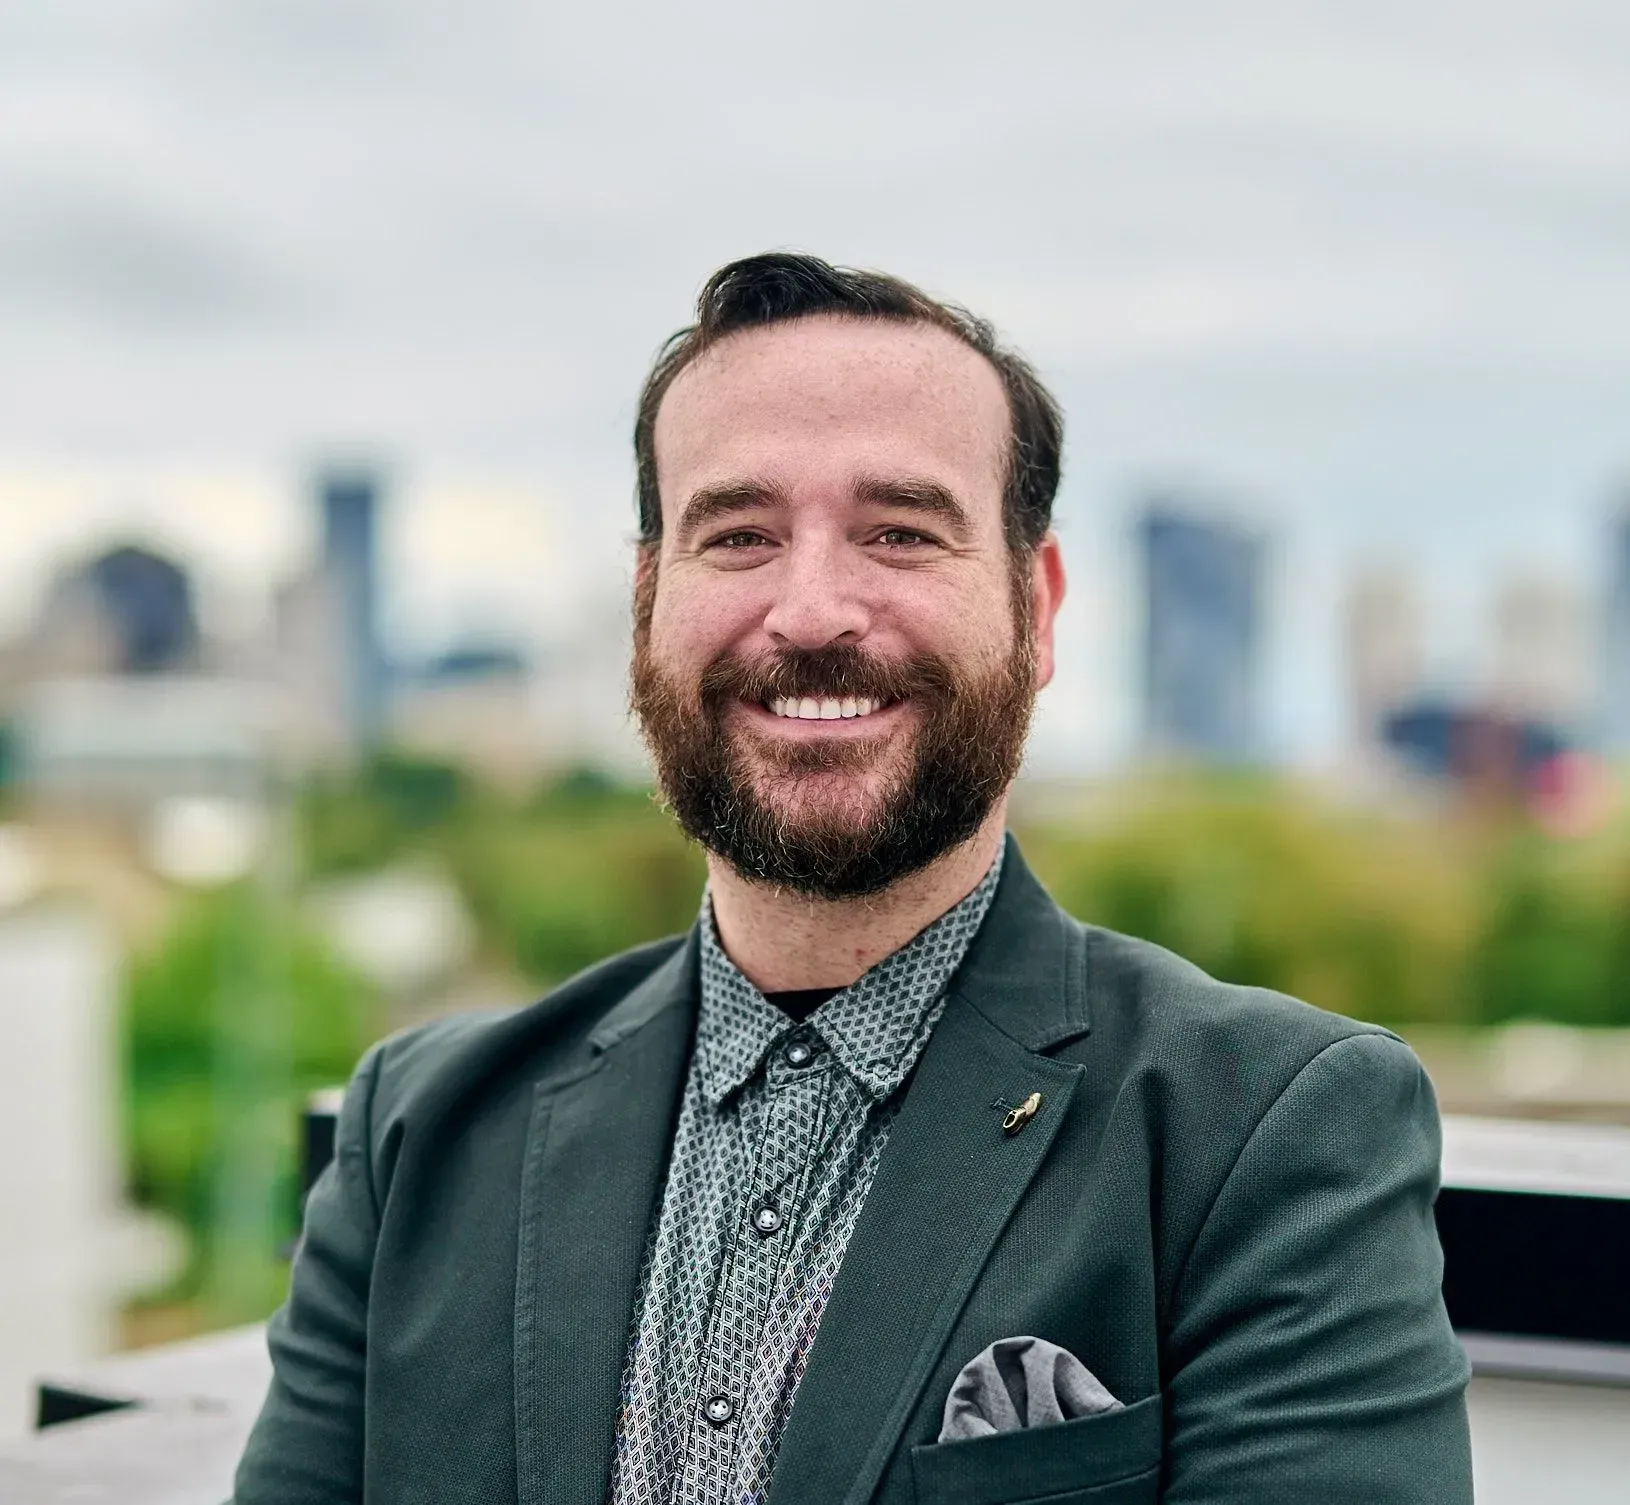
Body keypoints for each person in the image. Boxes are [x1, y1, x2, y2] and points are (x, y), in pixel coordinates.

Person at [232, 253, 1473, 1505]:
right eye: (739, 534)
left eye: (899, 531)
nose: (813, 609)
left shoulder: (1272, 1131)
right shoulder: (420, 1130)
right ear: (647, 606)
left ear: (1034, 612)